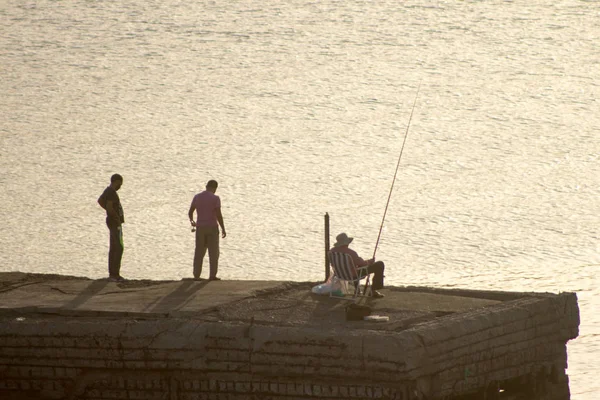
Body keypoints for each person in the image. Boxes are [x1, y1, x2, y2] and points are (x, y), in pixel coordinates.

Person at [188, 180, 227, 281]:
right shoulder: (215, 198)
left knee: (199, 252)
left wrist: (192, 221)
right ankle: (212, 275)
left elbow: (190, 211)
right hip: (212, 227)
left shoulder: (197, 197)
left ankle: (196, 275)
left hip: (200, 227)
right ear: (215, 188)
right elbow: (218, 214)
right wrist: (223, 228)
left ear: (206, 186)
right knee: (213, 252)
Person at [330, 232, 385, 298]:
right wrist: (370, 261)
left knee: (354, 266)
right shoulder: (351, 253)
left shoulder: (332, 251)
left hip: (339, 274)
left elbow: (332, 264)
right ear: (347, 242)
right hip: (353, 275)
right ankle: (373, 291)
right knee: (379, 264)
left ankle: (357, 290)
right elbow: (362, 263)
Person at [97, 174, 125, 282]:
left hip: (111, 221)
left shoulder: (107, 191)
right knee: (119, 247)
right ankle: (115, 274)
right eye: (120, 184)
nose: (120, 186)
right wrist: (115, 217)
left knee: (114, 246)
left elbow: (100, 201)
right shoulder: (112, 193)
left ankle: (112, 274)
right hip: (114, 223)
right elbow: (108, 205)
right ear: (116, 181)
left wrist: (109, 211)